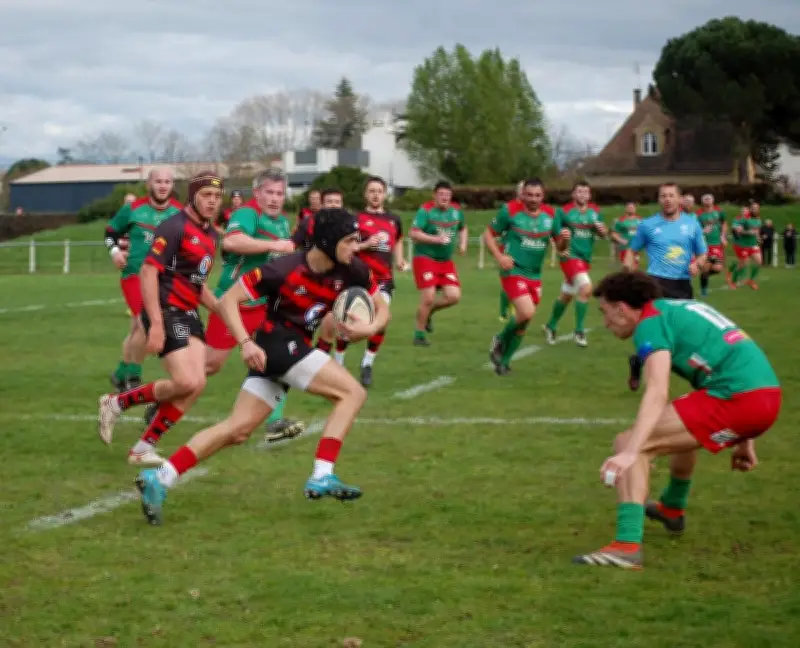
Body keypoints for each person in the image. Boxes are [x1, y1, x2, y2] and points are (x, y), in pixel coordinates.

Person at [133, 208, 390, 525]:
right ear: (328, 240)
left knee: (237, 430)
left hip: (287, 348)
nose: (357, 246)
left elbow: (382, 308)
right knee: (352, 394)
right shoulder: (283, 269)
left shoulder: (354, 269)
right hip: (278, 344)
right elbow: (229, 300)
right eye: (351, 240)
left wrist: (367, 329)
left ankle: (161, 477)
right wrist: (245, 343)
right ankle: (323, 473)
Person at [573, 270, 781, 570]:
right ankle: (672, 507)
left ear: (622, 307)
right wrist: (745, 439)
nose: (605, 322)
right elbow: (725, 360)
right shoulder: (672, 309)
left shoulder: (650, 324)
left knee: (629, 442)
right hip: (762, 397)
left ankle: (627, 545)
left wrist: (632, 450)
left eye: (605, 312)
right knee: (680, 418)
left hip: (739, 399)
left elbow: (657, 390)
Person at [97, 171, 223, 466]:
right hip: (166, 308)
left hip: (188, 310)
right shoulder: (174, 226)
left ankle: (142, 446)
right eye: (206, 195)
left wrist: (220, 309)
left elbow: (196, 282)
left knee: (197, 383)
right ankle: (116, 402)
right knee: (185, 380)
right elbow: (148, 271)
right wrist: (154, 323)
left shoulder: (211, 234)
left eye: (217, 197)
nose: (212, 202)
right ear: (193, 196)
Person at [104, 168, 182, 391]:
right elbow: (110, 232)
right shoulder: (133, 209)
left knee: (136, 330)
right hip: (134, 275)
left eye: (167, 181)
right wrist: (115, 252)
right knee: (144, 323)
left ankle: (121, 373)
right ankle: (133, 377)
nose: (163, 185)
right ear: (149, 184)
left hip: (163, 279)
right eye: (158, 181)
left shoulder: (179, 213)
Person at [624, 183, 706, 391]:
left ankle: (638, 361)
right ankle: (658, 382)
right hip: (656, 283)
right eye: (663, 196)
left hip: (682, 285)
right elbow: (631, 251)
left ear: (680, 199)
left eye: (671, 195)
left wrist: (698, 264)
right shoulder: (648, 225)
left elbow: (702, 254)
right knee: (657, 333)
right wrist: (629, 272)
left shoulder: (692, 224)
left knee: (682, 335)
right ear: (658, 200)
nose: (667, 199)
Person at [330, 176, 407, 387]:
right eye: (371, 191)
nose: (375, 195)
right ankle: (339, 363)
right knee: (347, 319)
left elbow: (398, 239)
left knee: (382, 319)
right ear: (365, 194)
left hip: (384, 280)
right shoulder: (356, 219)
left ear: (384, 194)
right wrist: (366, 244)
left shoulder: (394, 220)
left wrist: (399, 259)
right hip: (358, 277)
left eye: (379, 191)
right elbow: (348, 248)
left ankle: (367, 364)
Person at [485, 178, 559, 375]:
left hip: (535, 274)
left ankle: (505, 362)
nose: (533, 199)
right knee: (526, 312)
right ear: (522, 194)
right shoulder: (509, 211)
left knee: (523, 320)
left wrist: (566, 242)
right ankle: (500, 339)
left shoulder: (552, 215)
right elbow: (488, 234)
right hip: (513, 270)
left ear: (543, 196)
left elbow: (560, 246)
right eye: (529, 194)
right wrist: (499, 256)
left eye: (537, 195)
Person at [542, 181, 607, 348]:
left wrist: (601, 230)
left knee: (567, 294)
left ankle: (550, 326)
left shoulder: (595, 212)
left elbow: (603, 234)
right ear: (573, 194)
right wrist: (561, 241)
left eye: (585, 192)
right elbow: (555, 234)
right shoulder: (564, 212)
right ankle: (579, 332)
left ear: (590, 195)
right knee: (585, 288)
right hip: (569, 256)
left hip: (584, 257)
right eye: (579, 192)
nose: (582, 195)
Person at [409, 182, 467, 346]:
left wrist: (463, 244)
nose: (444, 198)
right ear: (434, 195)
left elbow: (463, 228)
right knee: (428, 297)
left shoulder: (456, 211)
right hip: (425, 258)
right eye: (441, 194)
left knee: (454, 296)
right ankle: (419, 335)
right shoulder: (425, 211)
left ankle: (428, 313)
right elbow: (413, 233)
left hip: (445, 262)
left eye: (447, 195)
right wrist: (435, 239)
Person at [499, 181, 524, 322]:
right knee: (508, 280)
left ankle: (515, 309)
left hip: (525, 251)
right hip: (508, 249)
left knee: (520, 280)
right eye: (522, 190)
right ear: (517, 192)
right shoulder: (509, 209)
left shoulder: (532, 209)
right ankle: (504, 311)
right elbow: (497, 228)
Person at [697, 193, 727, 296]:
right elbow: (695, 230)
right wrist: (703, 231)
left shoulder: (719, 212)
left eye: (709, 199)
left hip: (717, 244)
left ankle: (704, 276)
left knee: (718, 269)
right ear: (702, 202)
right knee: (706, 267)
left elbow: (724, 224)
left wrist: (723, 236)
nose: (707, 201)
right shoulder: (699, 214)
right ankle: (703, 289)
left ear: (713, 201)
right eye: (705, 199)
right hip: (705, 245)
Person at [729, 201, 762, 289]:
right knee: (743, 264)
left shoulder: (758, 219)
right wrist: (747, 232)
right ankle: (733, 282)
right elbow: (736, 229)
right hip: (743, 245)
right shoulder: (744, 219)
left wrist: (758, 237)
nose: (755, 210)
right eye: (753, 208)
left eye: (756, 208)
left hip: (753, 244)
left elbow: (757, 230)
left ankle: (751, 281)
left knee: (759, 262)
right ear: (750, 209)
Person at [611, 202, 641, 269]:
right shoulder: (620, 220)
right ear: (626, 209)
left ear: (635, 209)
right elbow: (613, 233)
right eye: (629, 208)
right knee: (626, 267)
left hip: (636, 248)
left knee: (634, 268)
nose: (631, 209)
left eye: (632, 207)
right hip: (625, 247)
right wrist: (621, 240)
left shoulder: (640, 220)